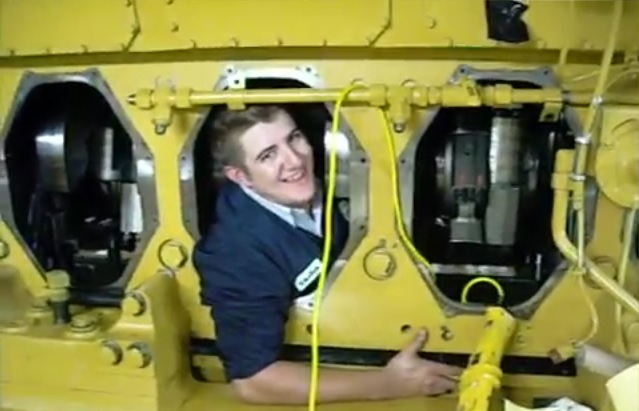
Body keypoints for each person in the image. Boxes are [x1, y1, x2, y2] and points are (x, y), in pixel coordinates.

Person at [192, 105, 461, 405]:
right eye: (268, 155)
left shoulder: (321, 184)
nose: (294, 160)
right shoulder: (236, 253)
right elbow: (254, 381)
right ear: (241, 176)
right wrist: (389, 383)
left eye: (294, 138)